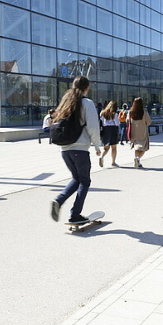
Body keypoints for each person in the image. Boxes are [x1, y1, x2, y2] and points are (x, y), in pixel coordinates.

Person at [50, 76, 101, 223]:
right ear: (87, 88)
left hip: (65, 150)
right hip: (80, 149)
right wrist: (97, 146)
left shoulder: (66, 102)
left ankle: (59, 201)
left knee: (77, 179)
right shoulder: (87, 103)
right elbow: (93, 127)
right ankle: (75, 214)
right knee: (85, 181)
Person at [128, 97, 152, 168]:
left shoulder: (130, 113)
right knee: (143, 148)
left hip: (133, 133)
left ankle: (137, 162)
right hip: (142, 132)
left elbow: (127, 120)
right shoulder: (144, 113)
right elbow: (149, 122)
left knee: (136, 147)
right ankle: (138, 159)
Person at [99, 100, 120, 167]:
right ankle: (113, 162)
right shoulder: (115, 114)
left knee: (106, 147)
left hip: (105, 130)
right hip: (113, 130)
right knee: (114, 147)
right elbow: (117, 123)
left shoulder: (103, 112)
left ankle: (101, 157)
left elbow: (101, 121)